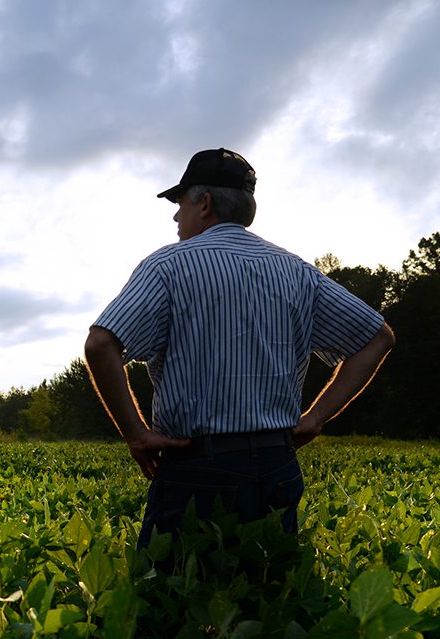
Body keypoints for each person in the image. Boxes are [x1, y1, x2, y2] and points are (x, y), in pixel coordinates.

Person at [84, 147, 395, 555]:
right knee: (266, 604)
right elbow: (378, 337)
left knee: (171, 604)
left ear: (205, 203)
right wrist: (316, 417)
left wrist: (138, 436)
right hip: (276, 466)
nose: (176, 217)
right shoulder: (297, 271)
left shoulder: (168, 266)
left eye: (180, 205)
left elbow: (101, 343)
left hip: (196, 470)